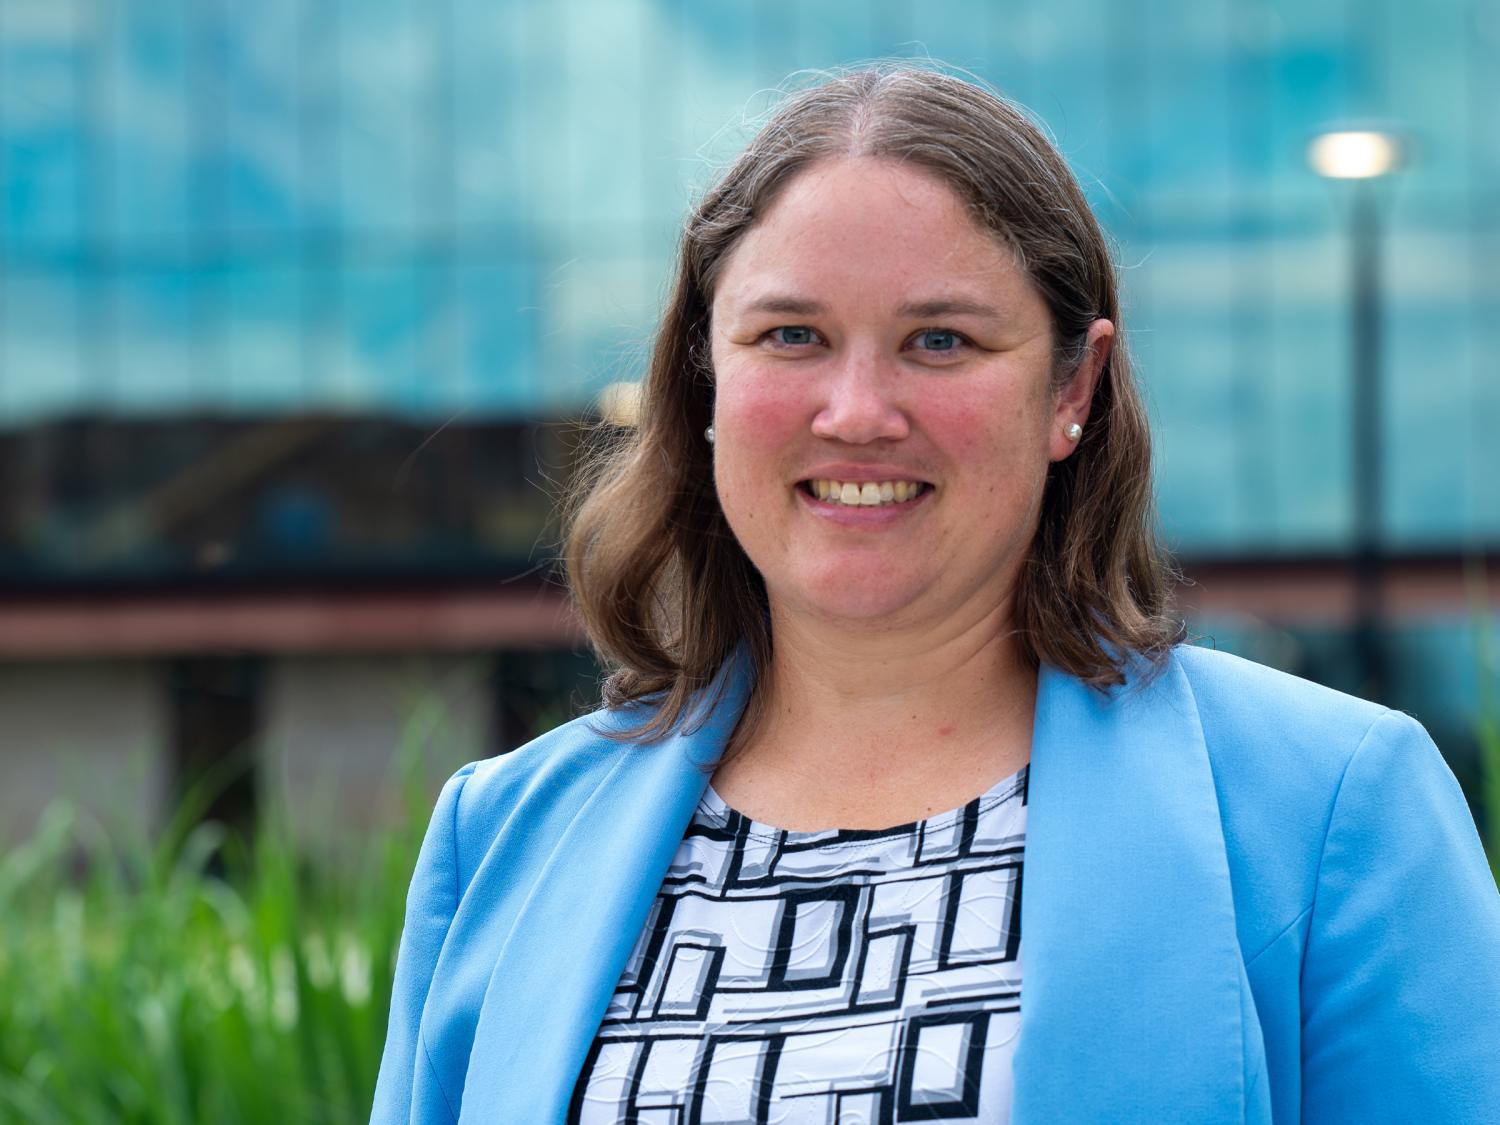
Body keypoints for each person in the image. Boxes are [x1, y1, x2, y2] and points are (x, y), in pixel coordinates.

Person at [371, 66, 1500, 1124]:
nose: (858, 411)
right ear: (707, 380)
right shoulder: (501, 838)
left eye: (941, 339)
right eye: (792, 335)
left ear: (1073, 388)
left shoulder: (1331, 811)